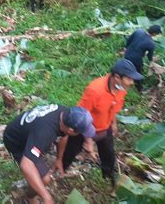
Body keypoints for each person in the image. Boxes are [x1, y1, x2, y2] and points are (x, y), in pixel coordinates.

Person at [58, 59, 143, 187]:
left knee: (109, 155)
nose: (132, 82)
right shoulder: (95, 90)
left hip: (105, 128)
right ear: (117, 77)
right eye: (129, 79)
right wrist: (88, 141)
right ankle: (59, 172)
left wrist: (113, 123)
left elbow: (114, 106)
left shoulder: (121, 89)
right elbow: (81, 115)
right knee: (69, 153)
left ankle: (109, 179)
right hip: (83, 129)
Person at [3, 105, 95, 204]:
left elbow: (63, 136)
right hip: (16, 142)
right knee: (44, 179)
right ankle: (30, 198)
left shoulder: (65, 114)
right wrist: (47, 197)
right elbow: (26, 164)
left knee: (42, 174)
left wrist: (59, 159)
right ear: (71, 130)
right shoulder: (45, 133)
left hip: (29, 133)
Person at [124, 25, 162, 92]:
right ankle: (139, 90)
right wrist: (155, 58)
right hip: (136, 61)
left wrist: (127, 49)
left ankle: (124, 82)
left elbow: (128, 40)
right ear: (154, 34)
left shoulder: (138, 31)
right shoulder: (151, 43)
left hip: (127, 55)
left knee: (126, 69)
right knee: (138, 75)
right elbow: (150, 58)